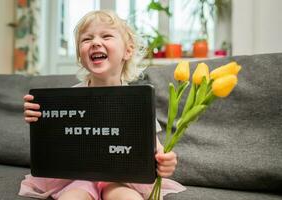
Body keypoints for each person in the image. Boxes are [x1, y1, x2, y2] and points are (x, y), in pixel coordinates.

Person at [19, 10, 185, 200]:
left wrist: (164, 160)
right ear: (79, 55)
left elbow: (152, 146)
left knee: (126, 197)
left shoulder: (137, 101)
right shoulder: (68, 99)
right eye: (86, 39)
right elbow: (53, 138)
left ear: (127, 51)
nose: (96, 43)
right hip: (75, 177)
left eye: (106, 36)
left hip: (121, 177)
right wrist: (37, 117)